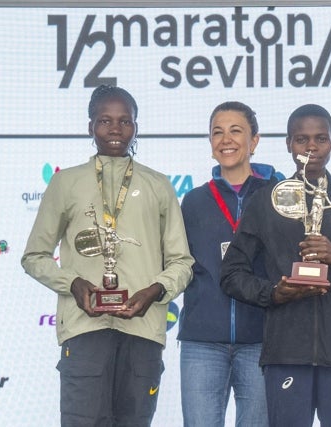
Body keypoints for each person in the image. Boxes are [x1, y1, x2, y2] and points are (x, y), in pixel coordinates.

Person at [21, 85, 193, 427]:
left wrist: (154, 291)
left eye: (124, 121)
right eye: (105, 120)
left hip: (142, 330)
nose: (115, 128)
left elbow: (182, 263)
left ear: (136, 127)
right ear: (90, 127)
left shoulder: (159, 185)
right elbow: (34, 256)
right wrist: (72, 283)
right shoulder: (65, 184)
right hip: (84, 331)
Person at [220, 104, 331, 427]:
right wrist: (274, 293)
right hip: (286, 355)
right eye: (301, 139)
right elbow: (231, 274)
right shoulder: (266, 200)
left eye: (320, 139)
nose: (311, 147)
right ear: (288, 144)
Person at [178, 101, 283, 427]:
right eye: (217, 132)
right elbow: (181, 264)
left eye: (236, 130)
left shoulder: (277, 195)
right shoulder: (194, 201)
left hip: (261, 339)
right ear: (211, 145)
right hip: (202, 342)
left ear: (254, 141)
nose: (226, 139)